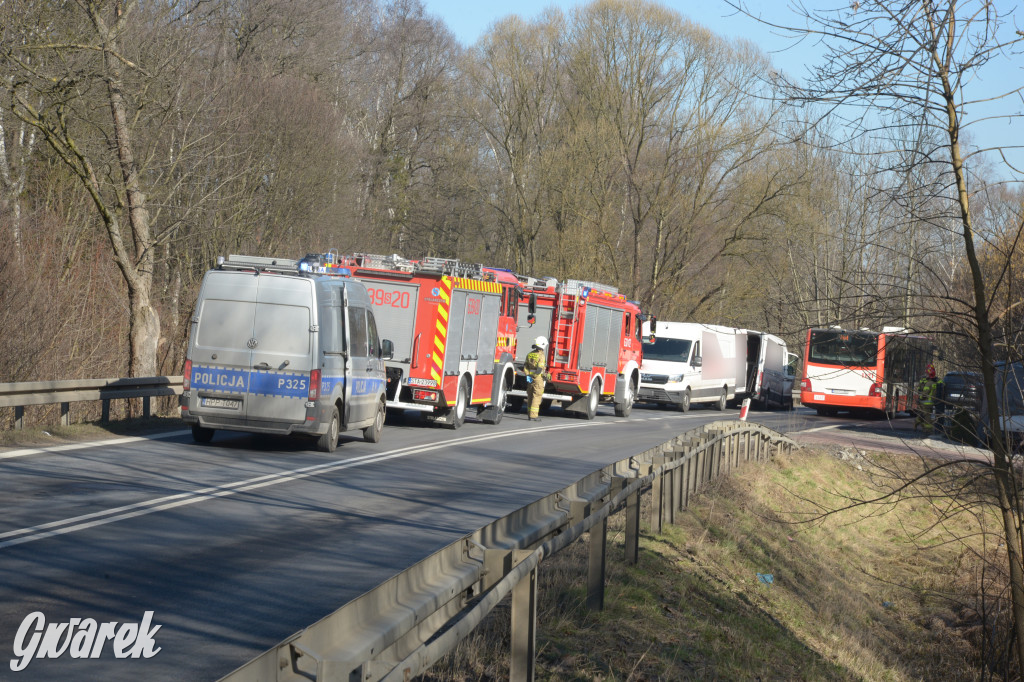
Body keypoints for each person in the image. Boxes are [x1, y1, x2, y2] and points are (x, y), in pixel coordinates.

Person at [524, 336, 551, 422]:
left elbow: (525, 366)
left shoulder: (530, 354)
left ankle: (529, 414)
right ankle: (534, 416)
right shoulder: (541, 356)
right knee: (537, 396)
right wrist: (537, 376)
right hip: (538, 379)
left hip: (530, 378)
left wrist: (528, 376)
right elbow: (539, 369)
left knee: (530, 396)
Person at [915, 365, 942, 433]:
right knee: (926, 415)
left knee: (926, 417)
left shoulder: (928, 384)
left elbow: (924, 394)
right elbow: (942, 385)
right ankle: (924, 427)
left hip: (925, 403)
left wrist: (919, 400)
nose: (926, 375)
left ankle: (926, 429)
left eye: (927, 374)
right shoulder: (937, 382)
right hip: (933, 402)